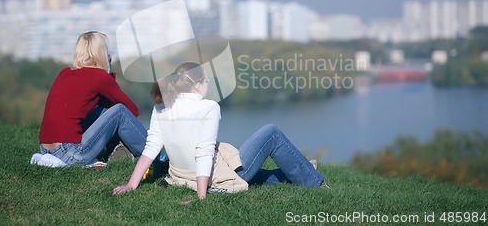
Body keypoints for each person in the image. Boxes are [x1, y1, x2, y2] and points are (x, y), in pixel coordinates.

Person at [113, 62, 330, 199]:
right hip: (212, 177)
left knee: (260, 174)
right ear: (198, 85)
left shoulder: (162, 106)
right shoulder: (208, 107)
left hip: (180, 174)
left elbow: (151, 147)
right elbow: (204, 152)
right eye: (206, 81)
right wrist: (202, 195)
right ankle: (315, 181)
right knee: (270, 132)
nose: (207, 85)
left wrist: (131, 185)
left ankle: (303, 169)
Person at [38, 31, 148, 166]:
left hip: (46, 150)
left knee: (104, 111)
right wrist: (109, 72)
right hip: (70, 153)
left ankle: (117, 147)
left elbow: (105, 106)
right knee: (120, 111)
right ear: (102, 53)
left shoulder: (64, 73)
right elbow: (131, 111)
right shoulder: (99, 76)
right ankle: (151, 155)